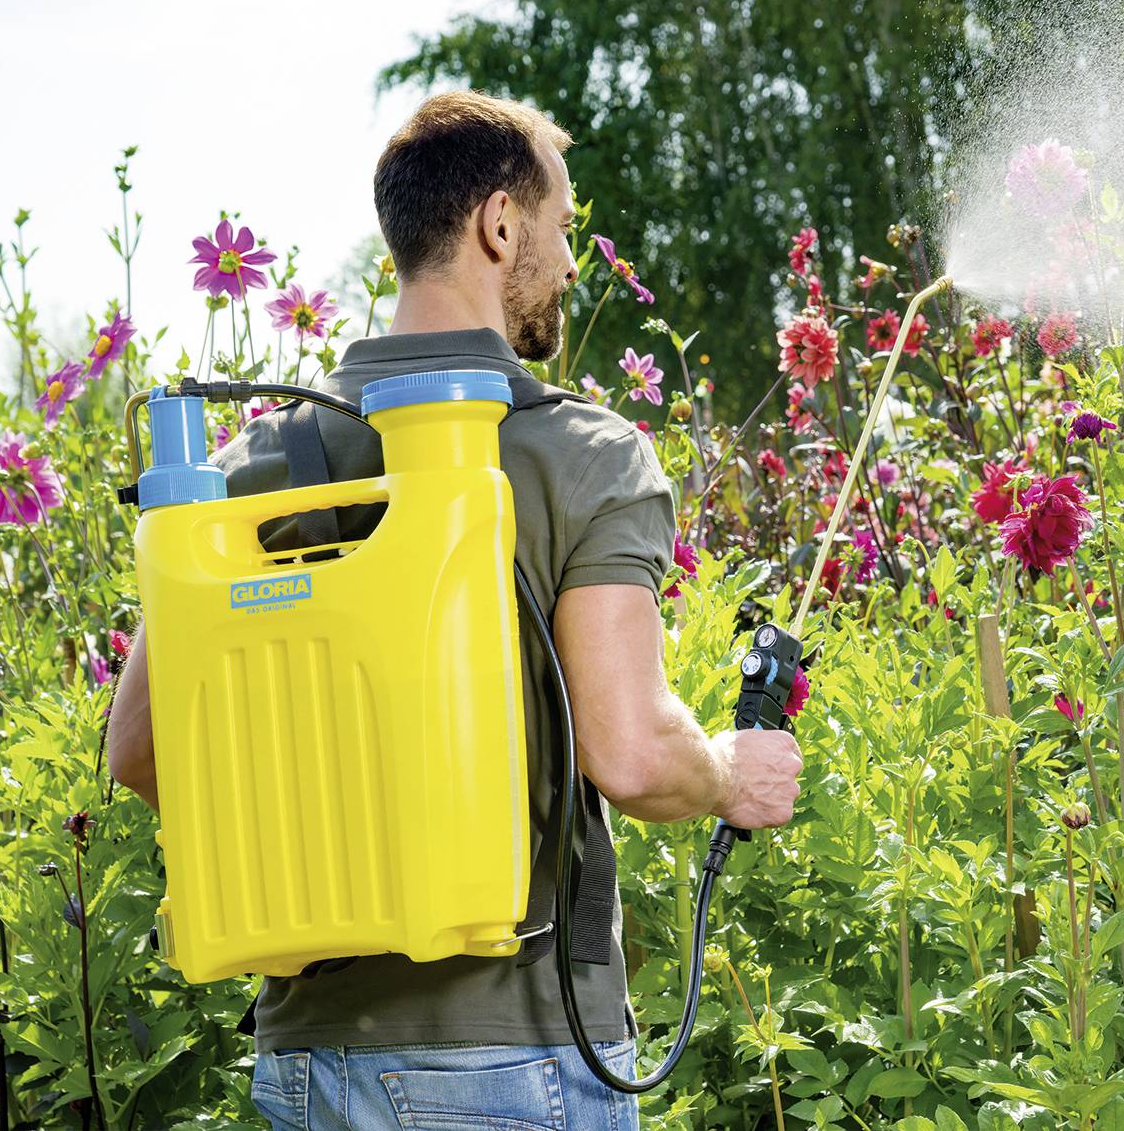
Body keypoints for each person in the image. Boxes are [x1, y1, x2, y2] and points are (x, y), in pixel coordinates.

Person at [105, 90, 804, 1131]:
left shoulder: (255, 468)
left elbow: (139, 749)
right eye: (562, 227)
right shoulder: (585, 453)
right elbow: (629, 749)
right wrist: (725, 773)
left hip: (307, 1058)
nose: (571, 263)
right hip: (511, 1063)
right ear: (500, 224)